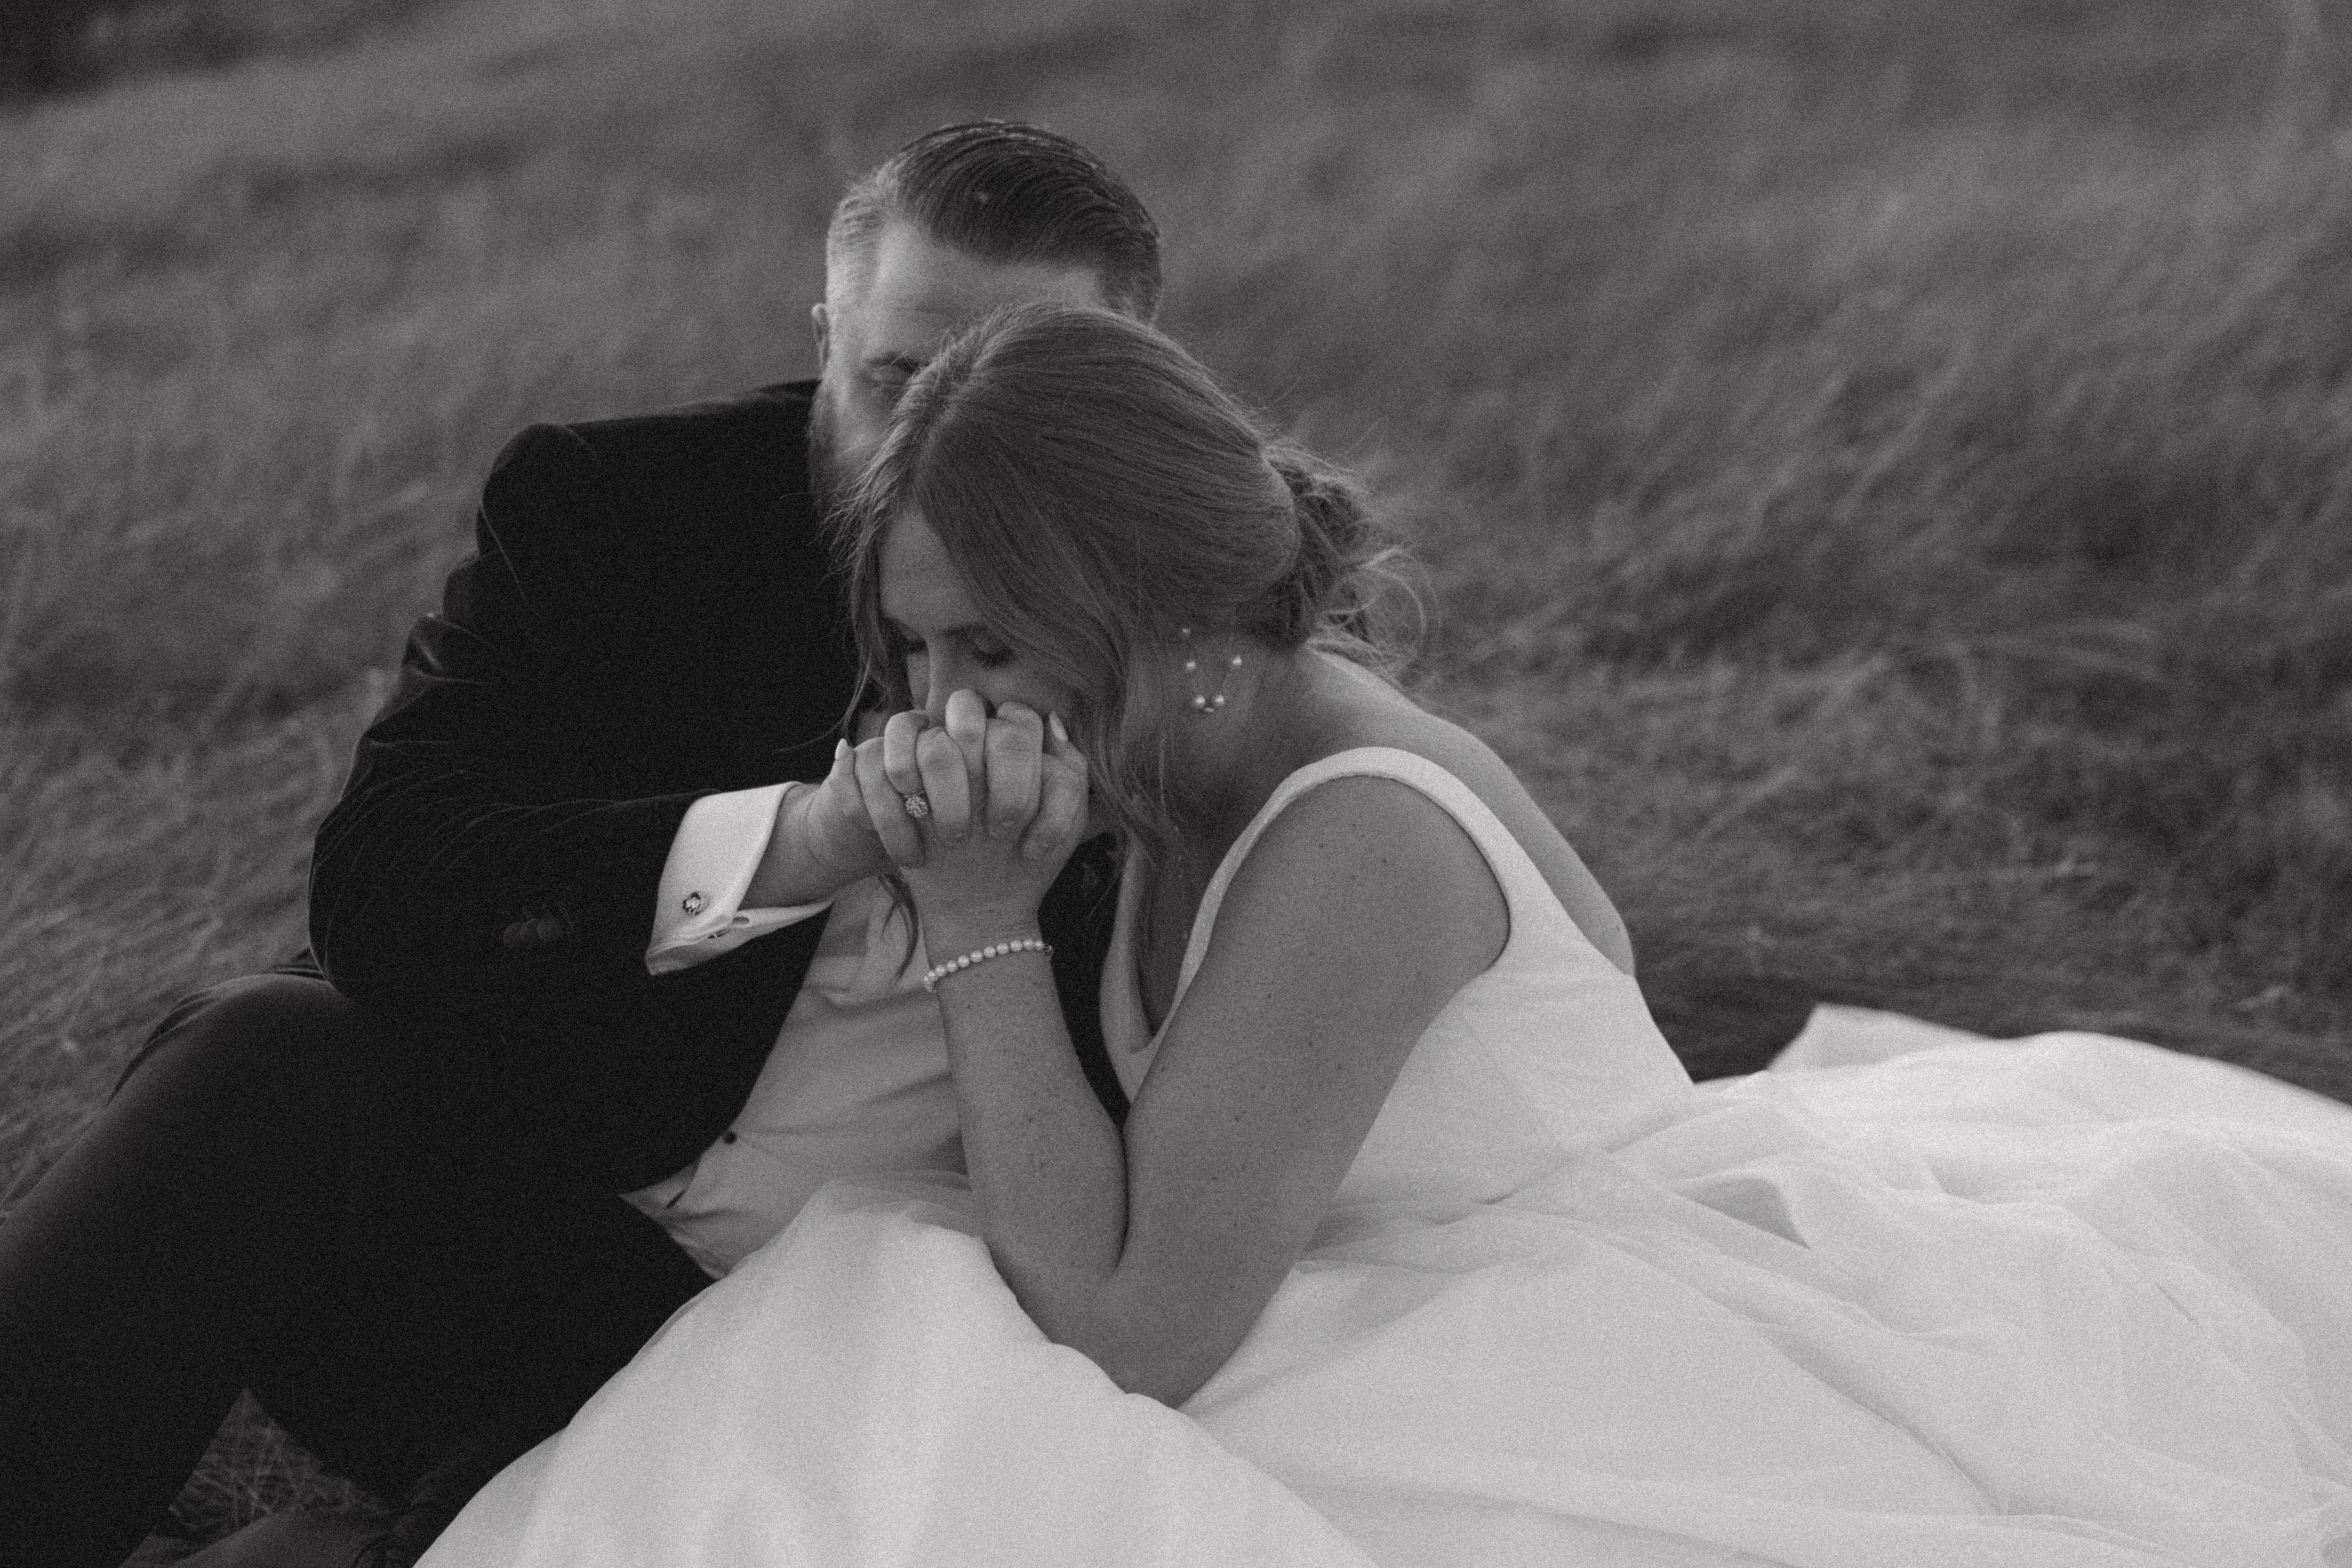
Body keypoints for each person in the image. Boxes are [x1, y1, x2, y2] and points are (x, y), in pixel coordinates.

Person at [420, 302, 2352, 1566]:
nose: (938, 707)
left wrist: (979, 921)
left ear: (1159, 609)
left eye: (988, 646)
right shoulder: (1163, 753)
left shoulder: (1356, 833)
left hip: (1576, 1337)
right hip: (1359, 1298)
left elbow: (1128, 1334)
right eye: (915, 648)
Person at [0, 122, 1160, 1568]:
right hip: (528, 1249)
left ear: (1128, 391)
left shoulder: (1189, 644)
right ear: (825, 340)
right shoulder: (618, 510)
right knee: (265, 1060)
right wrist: (802, 841)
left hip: (868, 1361)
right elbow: (382, 883)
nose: (949, 458)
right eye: (898, 382)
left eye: (1018, 397)